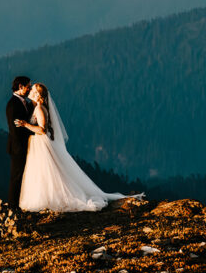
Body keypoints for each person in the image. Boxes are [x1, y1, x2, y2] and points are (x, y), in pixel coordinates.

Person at [14, 82, 138, 212]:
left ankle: (48, 198)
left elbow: (42, 129)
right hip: (40, 143)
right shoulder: (39, 107)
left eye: (33, 90)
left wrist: (25, 125)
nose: (30, 91)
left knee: (46, 172)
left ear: (38, 95)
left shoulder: (39, 109)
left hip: (41, 143)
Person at [5, 75, 33, 210]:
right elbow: (14, 130)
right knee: (16, 176)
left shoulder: (24, 103)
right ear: (20, 86)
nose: (30, 89)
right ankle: (12, 206)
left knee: (23, 175)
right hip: (18, 147)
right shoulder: (13, 105)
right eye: (28, 87)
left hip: (24, 145)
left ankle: (20, 203)